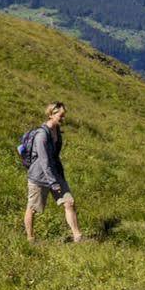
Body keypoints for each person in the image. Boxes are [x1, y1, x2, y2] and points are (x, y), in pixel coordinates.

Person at [23, 102, 82, 243]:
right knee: (32, 208)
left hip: (55, 175)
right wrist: (53, 182)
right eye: (61, 116)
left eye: (63, 116)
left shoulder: (57, 131)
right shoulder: (41, 135)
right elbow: (44, 161)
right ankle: (30, 239)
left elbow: (54, 157)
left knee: (69, 202)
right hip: (39, 177)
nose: (63, 119)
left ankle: (78, 237)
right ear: (51, 114)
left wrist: (58, 177)